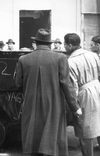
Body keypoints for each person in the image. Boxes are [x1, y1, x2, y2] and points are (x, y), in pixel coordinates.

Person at [15, 28, 82, 156]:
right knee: (52, 140)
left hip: (31, 104)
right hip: (54, 105)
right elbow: (66, 85)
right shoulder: (61, 58)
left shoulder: (23, 59)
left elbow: (18, 84)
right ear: (50, 44)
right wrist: (75, 107)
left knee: (33, 137)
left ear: (36, 42)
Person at [64, 33, 100, 156]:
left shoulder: (70, 61)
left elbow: (73, 86)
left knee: (85, 129)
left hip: (84, 94)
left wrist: (74, 106)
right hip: (97, 89)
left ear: (69, 45)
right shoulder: (93, 55)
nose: (64, 47)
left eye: (65, 44)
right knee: (98, 123)